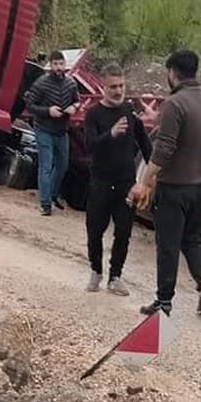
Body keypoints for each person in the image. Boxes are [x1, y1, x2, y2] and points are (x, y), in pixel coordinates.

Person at [128, 49, 201, 317]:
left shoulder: (175, 104)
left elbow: (165, 148)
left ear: (172, 73)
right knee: (193, 239)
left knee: (168, 243)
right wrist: (158, 119)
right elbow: (193, 132)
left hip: (175, 187)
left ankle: (163, 302)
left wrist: (145, 180)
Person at [82, 63, 152, 296]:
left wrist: (149, 178)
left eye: (121, 85)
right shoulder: (93, 113)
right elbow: (89, 146)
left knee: (123, 232)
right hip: (100, 181)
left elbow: (146, 144)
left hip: (126, 184)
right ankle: (96, 271)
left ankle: (116, 277)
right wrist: (110, 135)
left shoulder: (130, 111)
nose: (118, 90)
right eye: (113, 86)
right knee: (94, 229)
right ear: (104, 86)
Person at [24, 51, 79, 216]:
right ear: (50, 65)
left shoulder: (71, 84)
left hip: (62, 131)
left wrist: (73, 108)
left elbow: (77, 100)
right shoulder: (41, 84)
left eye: (61, 64)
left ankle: (53, 195)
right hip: (44, 129)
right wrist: (48, 111)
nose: (58, 68)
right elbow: (30, 104)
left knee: (62, 166)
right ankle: (45, 203)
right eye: (55, 64)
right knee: (46, 166)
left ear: (65, 65)